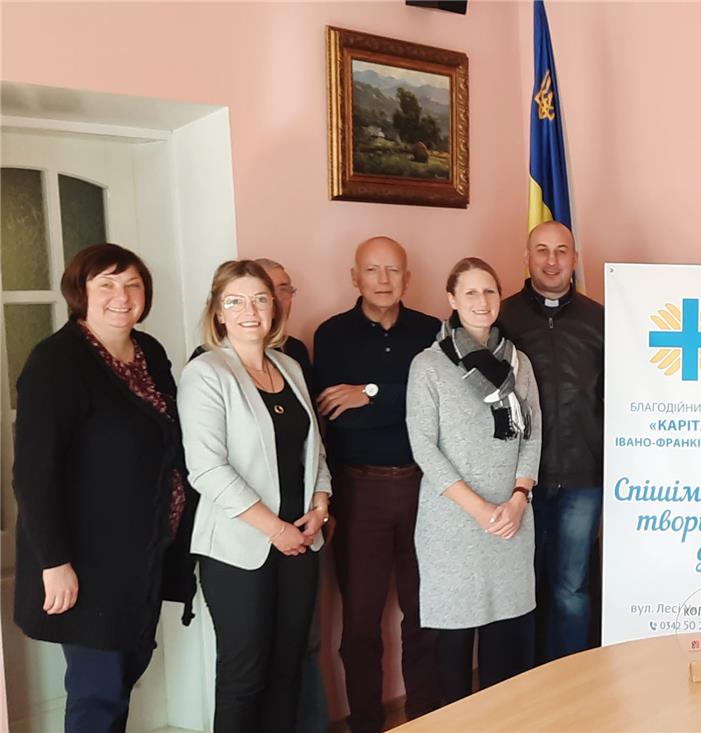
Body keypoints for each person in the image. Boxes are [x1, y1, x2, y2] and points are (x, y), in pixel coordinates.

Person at [11, 244, 197, 733]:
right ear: (81, 293)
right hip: (89, 562)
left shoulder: (149, 352)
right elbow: (33, 472)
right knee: (98, 694)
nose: (122, 296)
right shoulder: (57, 362)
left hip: (144, 554)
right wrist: (54, 561)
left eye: (133, 284)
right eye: (107, 284)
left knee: (124, 675)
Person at [181, 260, 332, 733]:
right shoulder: (206, 372)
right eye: (235, 301)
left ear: (274, 309)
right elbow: (207, 469)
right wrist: (276, 530)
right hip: (238, 549)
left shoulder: (288, 365)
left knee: (289, 672)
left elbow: (314, 451)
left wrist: (321, 504)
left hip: (301, 543)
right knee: (244, 678)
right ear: (218, 312)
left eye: (260, 299)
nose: (250, 310)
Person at [311, 236, 442, 732]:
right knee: (361, 624)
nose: (383, 280)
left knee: (425, 614)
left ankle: (427, 718)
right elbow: (336, 416)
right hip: (359, 490)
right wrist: (407, 405)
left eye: (393, 270)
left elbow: (441, 409)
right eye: (373, 270)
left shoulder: (433, 331)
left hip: (425, 491)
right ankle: (366, 723)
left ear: (407, 278)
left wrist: (370, 394)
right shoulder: (333, 334)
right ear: (355, 277)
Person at [408, 258, 542, 703]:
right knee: (454, 648)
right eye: (470, 293)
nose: (482, 302)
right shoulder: (428, 365)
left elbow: (533, 431)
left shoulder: (517, 361)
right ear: (451, 300)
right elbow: (424, 447)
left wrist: (519, 497)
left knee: (505, 650)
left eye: (489, 292)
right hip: (453, 525)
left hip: (511, 520)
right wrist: (479, 509)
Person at [495, 221, 604, 661]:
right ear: (527, 258)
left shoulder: (599, 318)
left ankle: (570, 682)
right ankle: (523, 689)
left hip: (583, 477)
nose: (552, 261)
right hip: (521, 480)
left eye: (562, 251)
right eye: (542, 250)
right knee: (520, 588)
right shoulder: (502, 318)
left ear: (575, 259)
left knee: (572, 588)